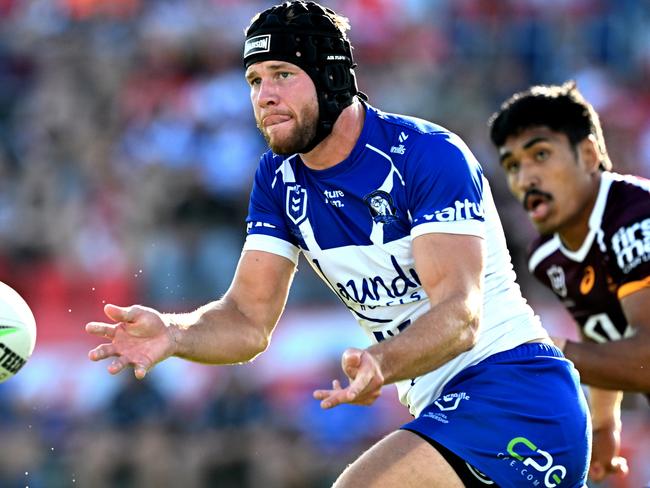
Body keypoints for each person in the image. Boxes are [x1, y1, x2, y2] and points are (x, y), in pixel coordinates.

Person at [86, 2, 591, 486]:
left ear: (331, 78)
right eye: (254, 80)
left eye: (282, 73)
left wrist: (383, 362)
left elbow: (461, 316)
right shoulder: (278, 180)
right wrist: (174, 335)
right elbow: (246, 320)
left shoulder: (427, 155)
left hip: (517, 393)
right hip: (450, 408)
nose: (264, 95)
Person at [489, 81, 650, 483]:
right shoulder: (548, 255)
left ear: (590, 154)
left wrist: (549, 352)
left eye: (540, 154)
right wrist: (602, 423)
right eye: (512, 166)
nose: (525, 178)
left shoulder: (638, 218)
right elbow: (600, 333)